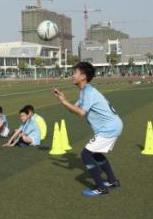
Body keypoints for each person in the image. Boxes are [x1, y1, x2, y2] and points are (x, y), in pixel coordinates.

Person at [52, 61, 123, 197]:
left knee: (86, 155)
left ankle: (101, 188)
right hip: (112, 126)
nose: (72, 76)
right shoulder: (85, 91)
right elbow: (74, 110)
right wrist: (63, 100)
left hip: (109, 127)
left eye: (75, 73)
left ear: (83, 76)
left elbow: (81, 113)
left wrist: (64, 102)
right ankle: (113, 181)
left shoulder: (88, 92)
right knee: (95, 154)